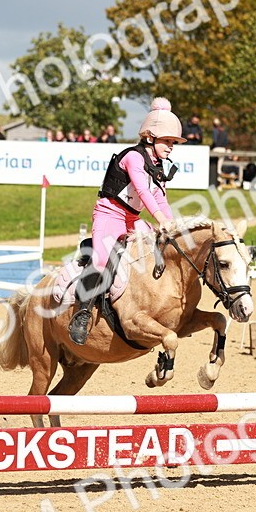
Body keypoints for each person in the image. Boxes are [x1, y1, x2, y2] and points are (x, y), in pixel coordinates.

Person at [68, 97, 182, 345]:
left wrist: (172, 226)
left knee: (157, 248)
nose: (171, 146)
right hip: (110, 213)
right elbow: (142, 191)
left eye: (174, 142)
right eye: (167, 141)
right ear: (150, 137)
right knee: (100, 259)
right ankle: (82, 314)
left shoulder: (159, 166)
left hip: (133, 218)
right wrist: (160, 219)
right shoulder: (134, 157)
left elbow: (159, 199)